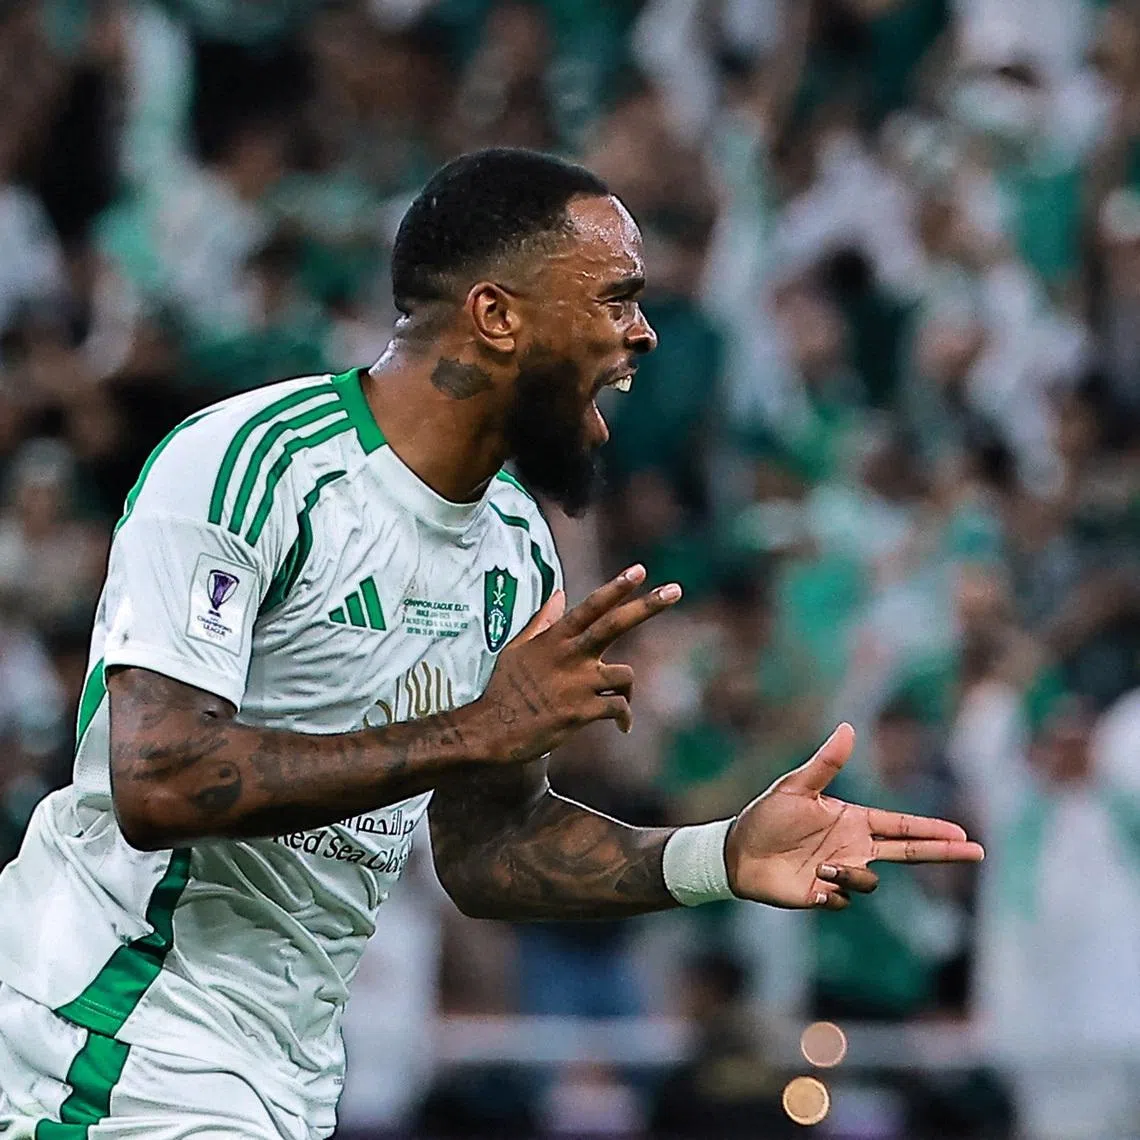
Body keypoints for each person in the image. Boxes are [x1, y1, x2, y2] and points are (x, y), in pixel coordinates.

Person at [0, 148, 983, 1140]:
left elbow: (489, 852)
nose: (641, 333)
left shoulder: (514, 549)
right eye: (614, 299)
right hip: (103, 1046)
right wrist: (475, 729)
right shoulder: (252, 468)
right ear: (498, 315)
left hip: (277, 1081)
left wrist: (715, 855)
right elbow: (159, 780)